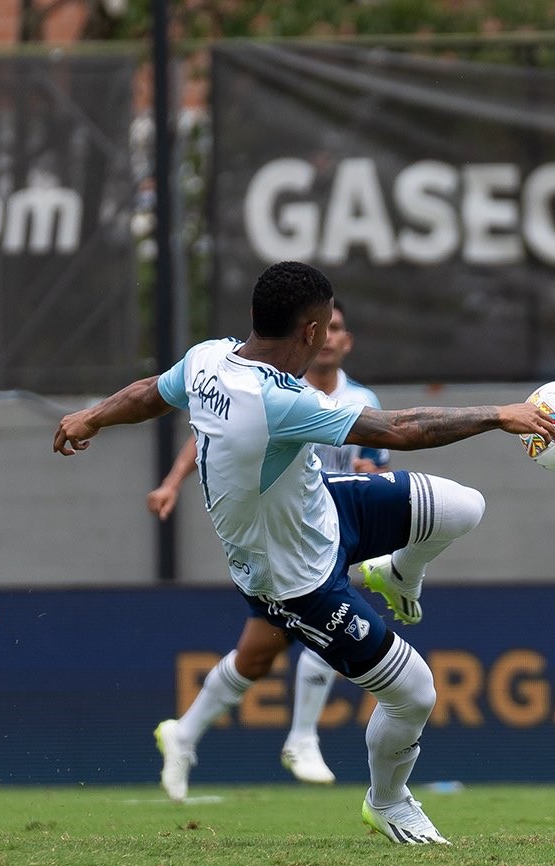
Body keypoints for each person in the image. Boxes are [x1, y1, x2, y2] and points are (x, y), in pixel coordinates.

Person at [54, 260, 555, 845]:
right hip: (297, 580)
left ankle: (396, 573)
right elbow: (400, 430)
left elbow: (151, 393)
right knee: (415, 692)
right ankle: (388, 801)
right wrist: (499, 415)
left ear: (252, 318)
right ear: (314, 333)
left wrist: (89, 415)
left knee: (464, 506)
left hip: (325, 507)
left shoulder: (207, 359)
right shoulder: (278, 401)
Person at [145, 300, 389, 791]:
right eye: (328, 326)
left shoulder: (362, 401)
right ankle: (197, 733)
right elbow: (209, 432)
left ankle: (271, 736)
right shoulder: (274, 391)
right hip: (277, 538)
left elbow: (378, 467)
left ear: (345, 341)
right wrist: (172, 482)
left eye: (342, 328)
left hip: (329, 535)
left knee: (323, 617)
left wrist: (373, 475)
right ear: (310, 334)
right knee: (256, 657)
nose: (333, 336)